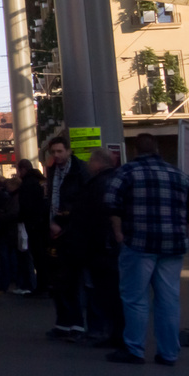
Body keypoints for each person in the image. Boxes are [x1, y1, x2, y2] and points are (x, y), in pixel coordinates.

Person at [103, 134, 189, 365]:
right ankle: (169, 353)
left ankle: (135, 350)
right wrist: (181, 226)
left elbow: (110, 203)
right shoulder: (179, 175)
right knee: (168, 299)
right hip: (173, 245)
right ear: (157, 148)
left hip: (138, 244)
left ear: (135, 150)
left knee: (135, 298)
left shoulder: (126, 172)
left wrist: (119, 233)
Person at [72, 149, 122, 348]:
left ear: (97, 163)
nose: (88, 164)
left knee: (103, 292)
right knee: (110, 292)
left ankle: (109, 332)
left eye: (90, 161)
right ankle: (111, 332)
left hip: (101, 246)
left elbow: (95, 216)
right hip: (108, 245)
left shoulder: (98, 184)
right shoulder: (115, 180)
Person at [44, 134, 88, 339]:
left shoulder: (80, 171)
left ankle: (77, 324)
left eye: (60, 151)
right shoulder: (53, 170)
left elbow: (80, 203)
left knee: (72, 280)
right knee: (58, 279)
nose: (56, 155)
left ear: (69, 151)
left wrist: (61, 222)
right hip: (55, 232)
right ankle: (63, 323)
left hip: (72, 232)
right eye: (54, 152)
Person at [15, 159, 48, 294]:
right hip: (43, 223)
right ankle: (44, 286)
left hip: (33, 224)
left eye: (18, 170)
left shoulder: (27, 184)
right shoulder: (41, 180)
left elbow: (26, 206)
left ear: (23, 169)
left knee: (37, 257)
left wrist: (21, 219)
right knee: (42, 256)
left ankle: (41, 288)